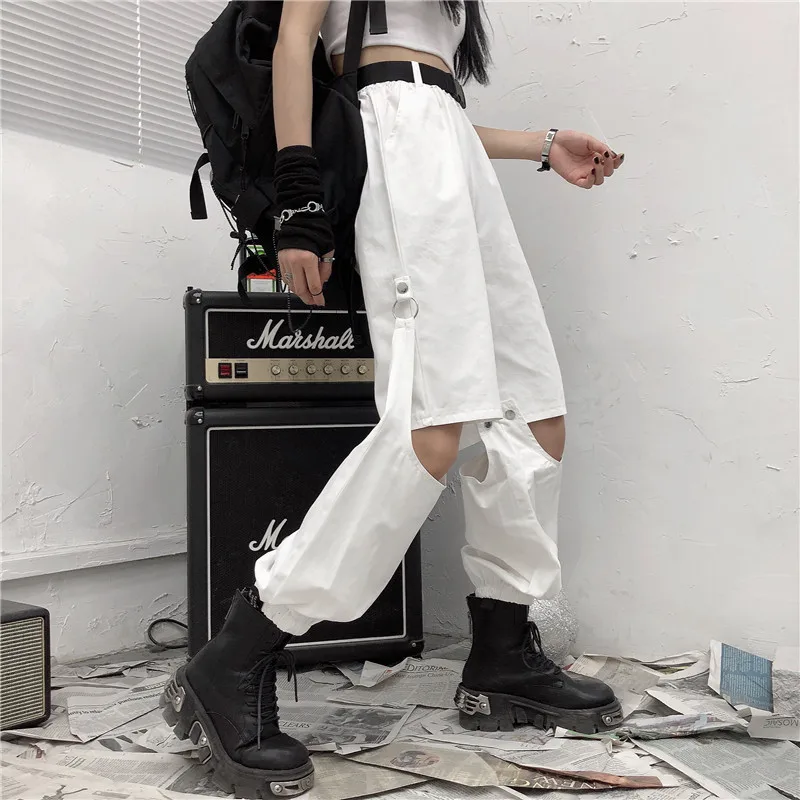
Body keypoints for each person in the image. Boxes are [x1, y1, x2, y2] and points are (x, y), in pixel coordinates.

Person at [161, 1, 626, 796]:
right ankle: (235, 655)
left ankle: (502, 655)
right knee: (428, 430)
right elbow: (304, 49)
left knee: (532, 416)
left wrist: (543, 146)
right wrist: (299, 205)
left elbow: (427, 96)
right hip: (397, 160)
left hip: (450, 155)